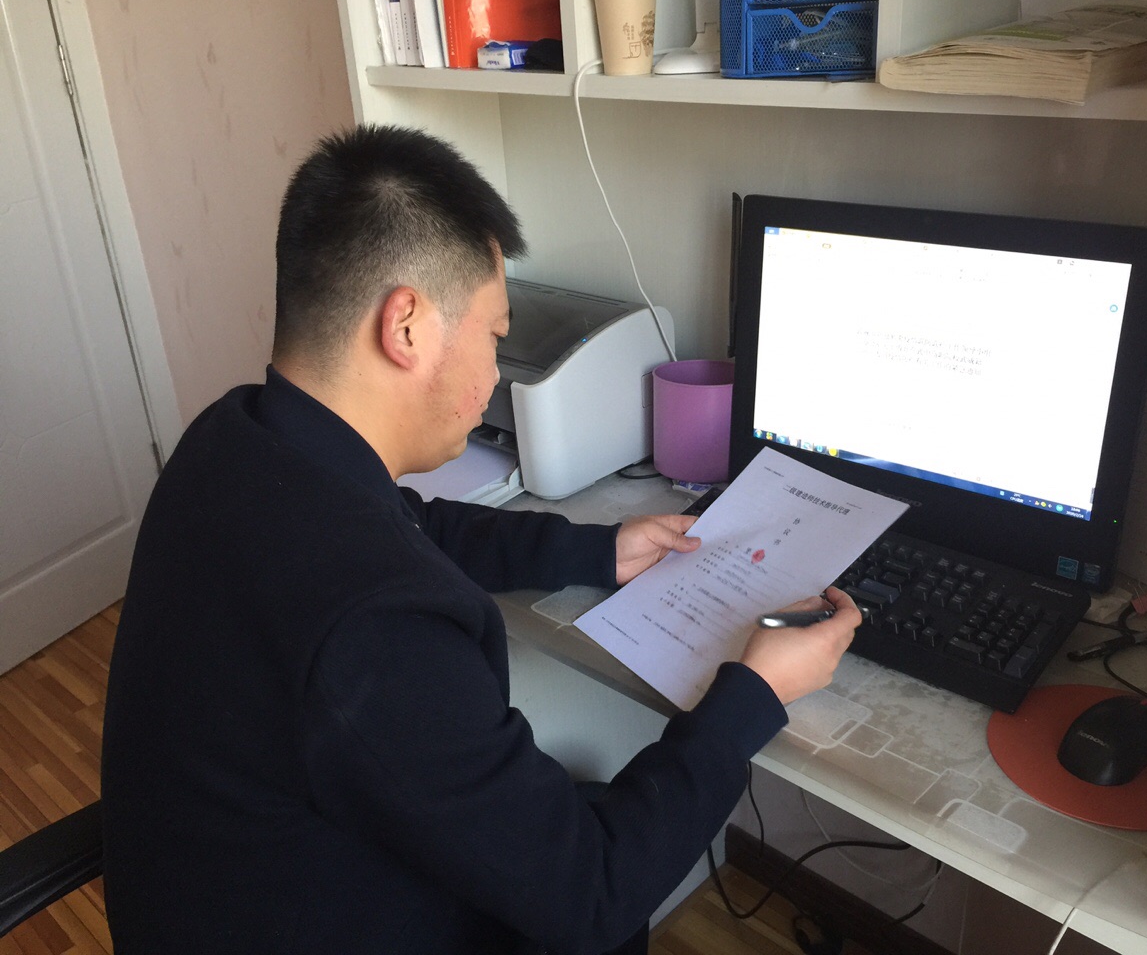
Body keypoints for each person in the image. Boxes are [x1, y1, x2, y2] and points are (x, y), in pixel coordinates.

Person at [100, 124, 861, 954]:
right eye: (495, 336)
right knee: (605, 869)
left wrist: (594, 551)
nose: (497, 372)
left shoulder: (234, 439)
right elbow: (593, 894)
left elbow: (409, 522)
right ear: (407, 326)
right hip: (318, 917)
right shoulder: (374, 625)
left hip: (232, 885)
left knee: (586, 803)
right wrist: (754, 694)